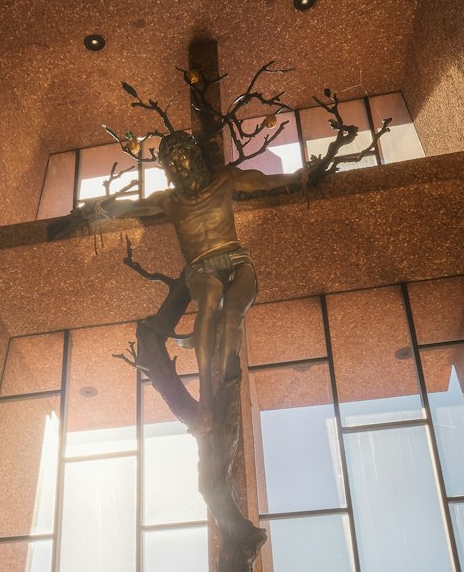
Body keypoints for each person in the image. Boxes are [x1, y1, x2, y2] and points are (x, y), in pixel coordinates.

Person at [88, 131, 305, 429]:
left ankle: (229, 363)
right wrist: (104, 208)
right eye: (172, 166)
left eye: (182, 160)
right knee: (209, 303)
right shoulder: (168, 201)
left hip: (237, 259)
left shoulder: (226, 181)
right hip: (201, 269)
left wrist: (298, 176)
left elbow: (267, 182)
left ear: (195, 158)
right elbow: (133, 206)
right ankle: (206, 390)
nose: (179, 169)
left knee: (232, 312)